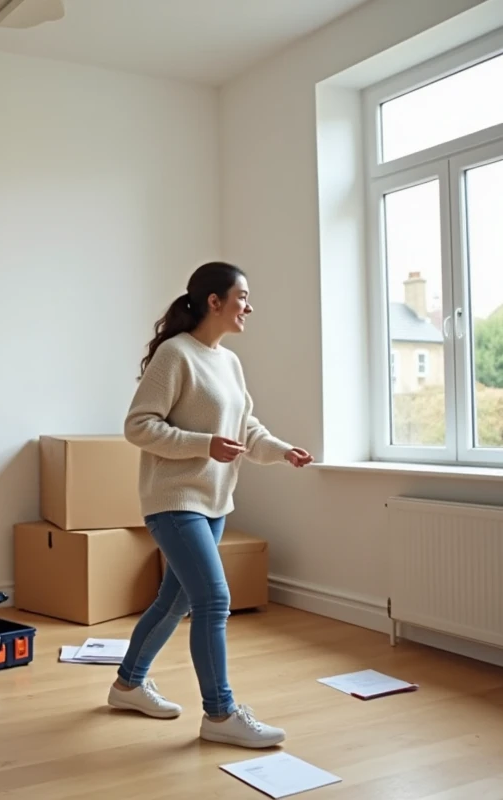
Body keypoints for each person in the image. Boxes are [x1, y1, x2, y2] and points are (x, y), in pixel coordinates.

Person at [106, 261, 312, 749]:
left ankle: (127, 685)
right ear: (214, 302)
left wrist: (281, 450)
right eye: (242, 296)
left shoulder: (229, 362)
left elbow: (246, 431)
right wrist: (203, 444)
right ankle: (220, 715)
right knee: (214, 600)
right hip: (175, 501)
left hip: (215, 502)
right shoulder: (176, 355)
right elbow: (138, 426)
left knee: (174, 600)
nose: (250, 306)